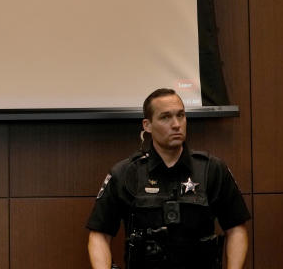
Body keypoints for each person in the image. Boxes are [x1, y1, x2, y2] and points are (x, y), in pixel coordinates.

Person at [86, 89, 250, 269]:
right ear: (147, 125)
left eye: (181, 115)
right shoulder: (126, 174)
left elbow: (236, 229)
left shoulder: (212, 169)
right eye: (165, 117)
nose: (176, 124)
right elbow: (99, 235)